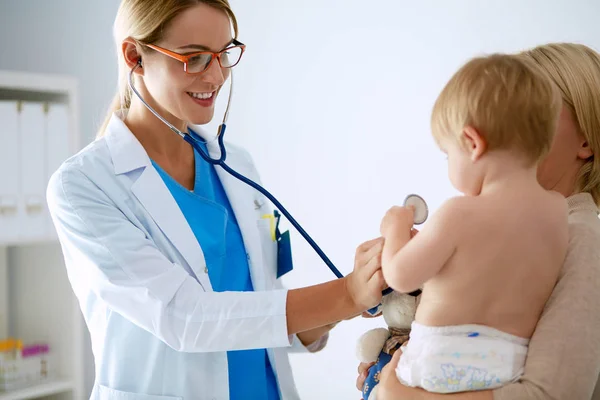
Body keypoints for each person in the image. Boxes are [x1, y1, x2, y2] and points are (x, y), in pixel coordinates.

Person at [45, 1, 386, 399]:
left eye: (224, 54)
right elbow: (184, 317)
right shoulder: (83, 185)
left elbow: (263, 309)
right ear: (135, 56)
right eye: (194, 58)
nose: (216, 75)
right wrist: (345, 293)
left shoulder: (235, 165)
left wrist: (359, 292)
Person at [357, 42, 600, 400]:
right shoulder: (521, 226)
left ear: (585, 141)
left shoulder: (581, 239)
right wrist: (404, 353)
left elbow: (551, 394)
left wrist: (404, 394)